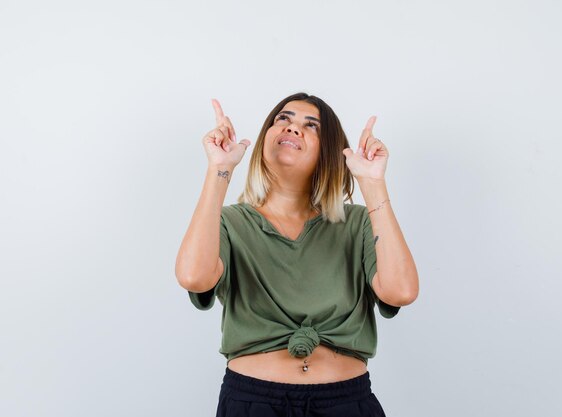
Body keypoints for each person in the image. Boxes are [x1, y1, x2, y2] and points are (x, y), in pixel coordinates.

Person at [175, 92, 419, 417]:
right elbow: (193, 276)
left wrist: (372, 183)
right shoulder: (231, 223)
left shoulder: (357, 223)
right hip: (253, 403)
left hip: (345, 403)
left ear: (329, 151)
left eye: (311, 126)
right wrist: (220, 170)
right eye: (283, 119)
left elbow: (401, 291)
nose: (292, 128)